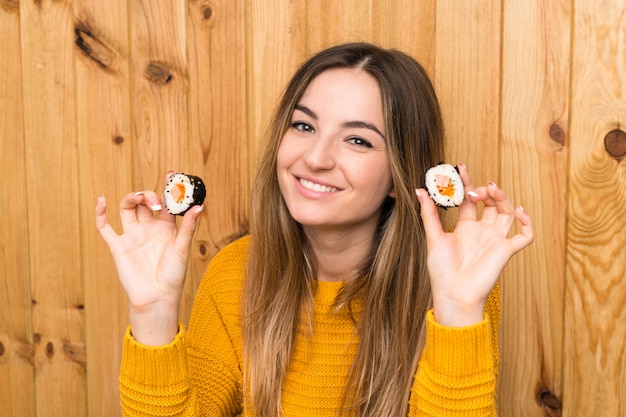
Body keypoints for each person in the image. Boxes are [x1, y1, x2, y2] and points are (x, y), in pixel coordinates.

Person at [95, 42, 533, 416]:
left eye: (357, 139)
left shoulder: (453, 287)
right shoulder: (235, 273)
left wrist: (457, 311)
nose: (316, 157)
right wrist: (152, 314)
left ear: (402, 177)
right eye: (303, 126)